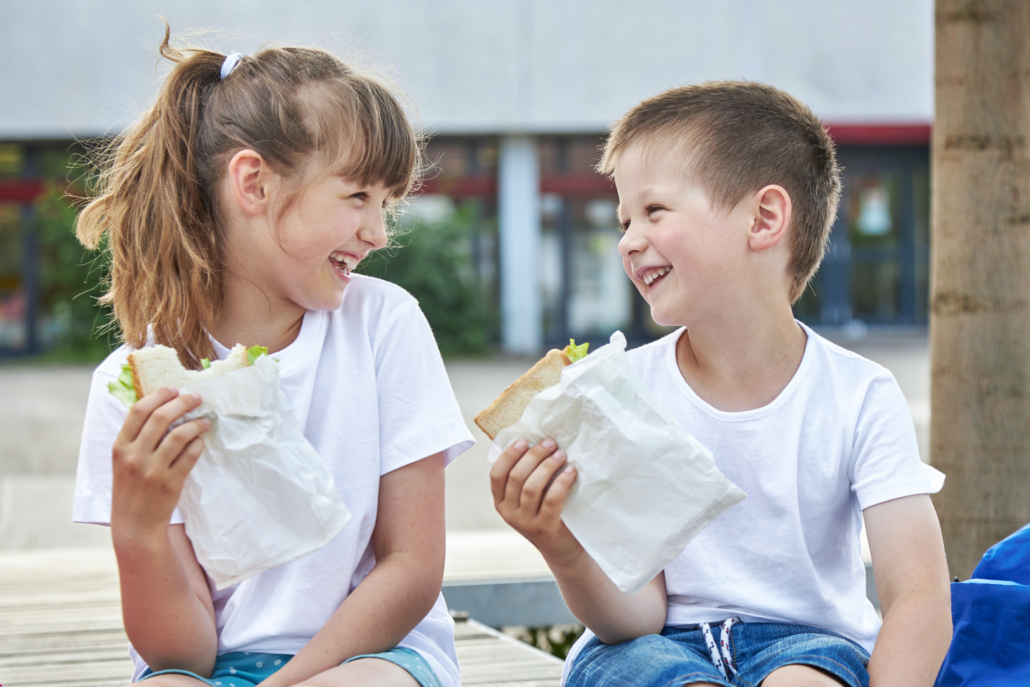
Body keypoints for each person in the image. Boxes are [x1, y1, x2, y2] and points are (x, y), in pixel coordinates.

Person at [489, 82, 952, 687]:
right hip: (651, 650)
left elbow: (919, 597)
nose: (628, 239)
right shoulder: (619, 390)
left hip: (808, 648)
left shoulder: (859, 394)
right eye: (625, 218)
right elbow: (638, 614)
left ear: (763, 219)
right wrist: (559, 543)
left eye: (654, 211)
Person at [72, 28, 473, 687]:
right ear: (253, 183)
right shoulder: (132, 387)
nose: (377, 233)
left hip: (372, 656)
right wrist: (139, 529)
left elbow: (411, 567)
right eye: (357, 197)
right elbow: (184, 655)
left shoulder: (383, 324)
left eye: (386, 204)